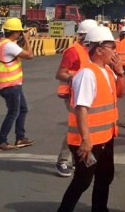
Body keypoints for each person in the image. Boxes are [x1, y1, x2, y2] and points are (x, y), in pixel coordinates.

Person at [57, 26, 125, 212]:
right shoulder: (87, 74)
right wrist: (86, 140)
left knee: (105, 176)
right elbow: (81, 108)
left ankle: (100, 208)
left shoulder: (106, 70)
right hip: (89, 141)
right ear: (99, 49)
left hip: (105, 137)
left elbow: (120, 93)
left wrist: (120, 73)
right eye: (111, 47)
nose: (115, 50)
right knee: (82, 181)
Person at [54, 19, 98, 177]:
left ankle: (74, 159)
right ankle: (62, 161)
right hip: (72, 95)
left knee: (82, 127)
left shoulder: (91, 51)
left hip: (86, 94)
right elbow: (60, 73)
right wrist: (77, 77)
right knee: (76, 128)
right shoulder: (73, 51)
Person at [0, 18, 34, 151]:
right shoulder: (9, 45)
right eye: (19, 32)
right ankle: (1, 140)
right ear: (15, 33)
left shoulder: (1, 42)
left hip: (8, 84)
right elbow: (29, 55)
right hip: (10, 85)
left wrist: (22, 38)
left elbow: (15, 52)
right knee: (13, 112)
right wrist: (27, 39)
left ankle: (20, 137)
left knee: (22, 109)